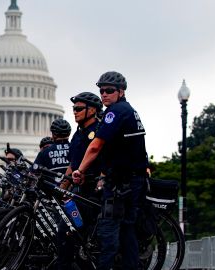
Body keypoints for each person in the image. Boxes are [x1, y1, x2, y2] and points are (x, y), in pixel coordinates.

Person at [72, 71, 148, 270]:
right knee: (126, 229)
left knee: (109, 231)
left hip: (121, 183)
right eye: (101, 90)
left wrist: (80, 170)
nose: (104, 94)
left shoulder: (115, 112)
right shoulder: (128, 110)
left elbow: (96, 146)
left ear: (121, 91)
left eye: (109, 90)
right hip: (132, 179)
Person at [56, 92, 104, 270]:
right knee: (67, 231)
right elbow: (72, 165)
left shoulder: (99, 131)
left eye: (78, 109)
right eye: (74, 109)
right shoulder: (78, 135)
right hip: (81, 191)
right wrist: (61, 188)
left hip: (95, 192)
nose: (74, 112)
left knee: (69, 230)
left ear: (91, 110)